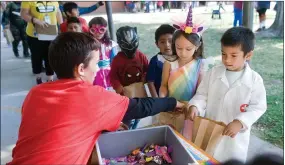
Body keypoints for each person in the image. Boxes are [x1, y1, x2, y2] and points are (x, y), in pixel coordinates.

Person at [7, 32, 184, 165]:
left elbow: (59, 127)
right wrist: (172, 102)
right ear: (81, 69)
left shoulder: (35, 93)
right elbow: (140, 106)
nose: (99, 69)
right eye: (96, 63)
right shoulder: (92, 97)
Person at [187, 27, 267, 163]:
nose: (227, 60)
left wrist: (240, 122)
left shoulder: (254, 80)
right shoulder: (213, 73)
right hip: (210, 129)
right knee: (207, 158)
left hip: (235, 139)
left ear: (248, 55)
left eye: (233, 55)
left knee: (231, 160)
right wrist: (195, 106)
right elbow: (202, 95)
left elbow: (258, 107)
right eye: (223, 54)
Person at [110, 26, 149, 129]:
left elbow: (146, 69)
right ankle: (127, 127)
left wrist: (144, 78)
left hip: (139, 91)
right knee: (126, 113)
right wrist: (118, 86)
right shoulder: (117, 60)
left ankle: (135, 124)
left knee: (139, 111)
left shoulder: (141, 56)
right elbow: (113, 76)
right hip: (124, 94)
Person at [21, 1, 63, 84]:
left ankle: (50, 79)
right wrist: (35, 20)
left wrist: (62, 26)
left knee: (50, 56)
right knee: (37, 57)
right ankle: (38, 78)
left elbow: (58, 12)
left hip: (51, 33)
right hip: (35, 35)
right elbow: (23, 14)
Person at [88, 17, 118, 90]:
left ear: (105, 30)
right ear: (90, 30)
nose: (98, 33)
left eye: (101, 30)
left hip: (108, 74)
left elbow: (114, 61)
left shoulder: (111, 44)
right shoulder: (87, 45)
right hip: (93, 74)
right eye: (94, 30)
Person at [146, 24, 176, 98]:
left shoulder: (180, 58)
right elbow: (150, 82)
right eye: (162, 42)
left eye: (170, 41)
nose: (167, 45)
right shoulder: (155, 61)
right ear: (157, 44)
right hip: (161, 97)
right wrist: (157, 100)